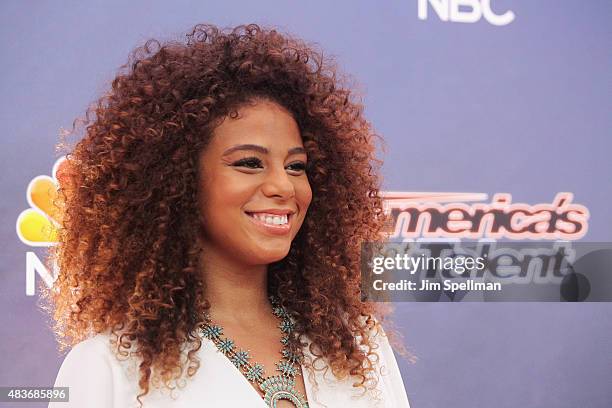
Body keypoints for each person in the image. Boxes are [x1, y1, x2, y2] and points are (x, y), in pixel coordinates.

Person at [45, 23, 411, 408]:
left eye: (296, 166)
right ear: (180, 178)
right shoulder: (109, 370)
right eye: (250, 163)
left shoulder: (358, 346)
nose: (283, 187)